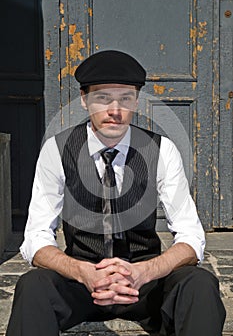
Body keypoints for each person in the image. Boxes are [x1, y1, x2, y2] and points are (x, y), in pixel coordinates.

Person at [6, 50, 225, 336]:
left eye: (125, 98)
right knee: (33, 287)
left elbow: (191, 237)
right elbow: (35, 238)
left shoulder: (160, 150)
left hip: (145, 283)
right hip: (81, 282)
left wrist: (144, 272)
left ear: (136, 101)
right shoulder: (57, 150)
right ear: (84, 100)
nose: (115, 110)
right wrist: (82, 272)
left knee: (200, 284)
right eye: (103, 98)